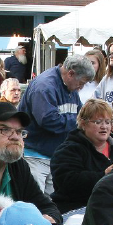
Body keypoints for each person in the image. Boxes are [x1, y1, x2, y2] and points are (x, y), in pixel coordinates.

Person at [20, 54, 95, 194]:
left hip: (54, 157)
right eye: (81, 83)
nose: (81, 87)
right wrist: (79, 121)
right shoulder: (44, 87)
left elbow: (80, 112)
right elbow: (49, 121)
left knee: (51, 205)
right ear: (71, 73)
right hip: (35, 157)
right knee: (35, 203)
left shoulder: (69, 87)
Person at [50, 98, 113, 213]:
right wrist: (104, 175)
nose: (104, 126)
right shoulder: (68, 150)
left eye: (107, 122)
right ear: (83, 124)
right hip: (75, 210)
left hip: (112, 209)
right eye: (98, 122)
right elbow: (68, 182)